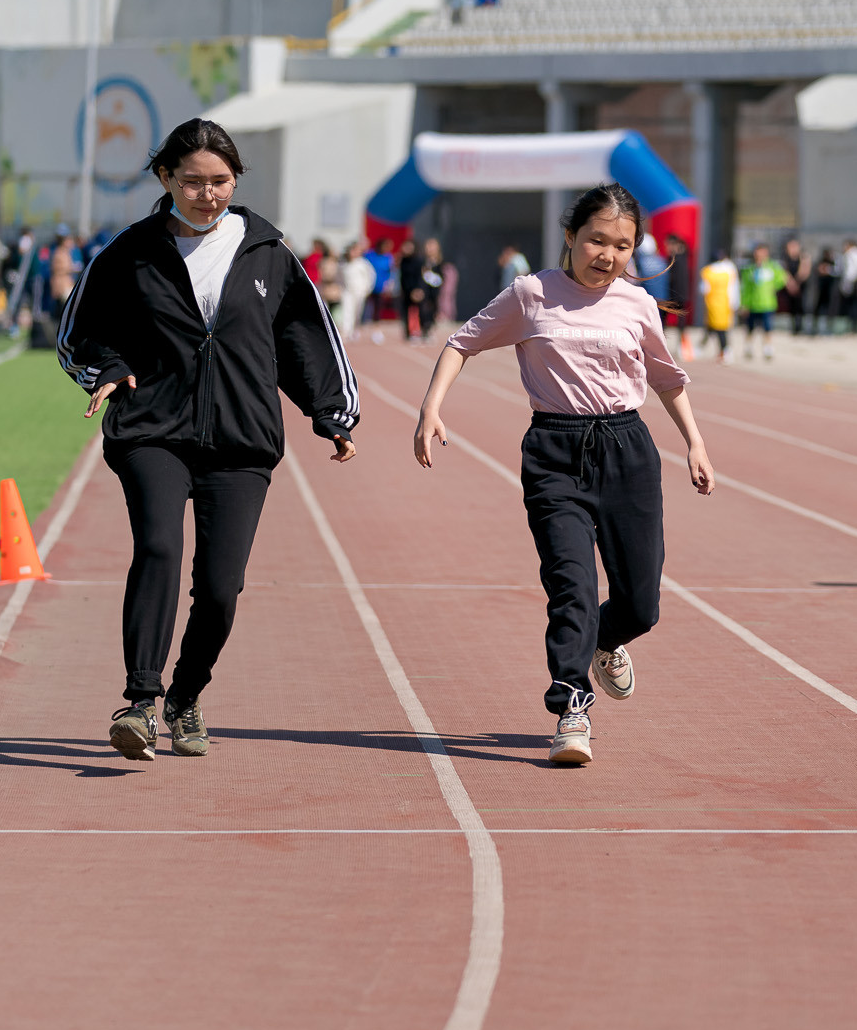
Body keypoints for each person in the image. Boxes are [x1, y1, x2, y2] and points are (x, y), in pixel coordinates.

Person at [58, 118, 357, 761]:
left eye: (220, 181)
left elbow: (305, 338)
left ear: (236, 180)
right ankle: (139, 702)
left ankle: (184, 698)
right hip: (151, 430)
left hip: (241, 440)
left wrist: (331, 411)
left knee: (220, 589)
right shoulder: (129, 252)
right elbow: (79, 331)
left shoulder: (269, 253)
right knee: (159, 548)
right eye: (192, 181)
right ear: (165, 179)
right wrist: (106, 369)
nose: (208, 193)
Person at [413, 182, 714, 766]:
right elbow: (461, 343)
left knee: (641, 605)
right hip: (555, 452)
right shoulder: (531, 295)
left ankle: (607, 639)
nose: (607, 255)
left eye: (622, 246)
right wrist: (431, 407)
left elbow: (667, 377)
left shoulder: (637, 305)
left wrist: (695, 444)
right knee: (571, 585)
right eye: (597, 240)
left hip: (628, 449)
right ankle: (571, 705)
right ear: (571, 236)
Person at [740, 241, 784, 362]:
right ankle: (748, 348)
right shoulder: (749, 269)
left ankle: (768, 349)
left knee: (767, 328)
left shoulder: (772, 267)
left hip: (767, 303)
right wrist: (744, 303)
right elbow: (745, 288)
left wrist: (773, 288)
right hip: (752, 303)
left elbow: (781, 280)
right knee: (750, 328)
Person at [697, 247, 739, 363]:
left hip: (712, 303)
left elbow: (703, 289)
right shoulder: (729, 271)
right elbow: (734, 289)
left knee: (715, 327)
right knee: (721, 328)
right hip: (725, 303)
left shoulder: (707, 271)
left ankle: (723, 351)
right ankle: (723, 351)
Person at [338, 237, 376, 333]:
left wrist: (367, 289)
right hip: (347, 291)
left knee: (357, 311)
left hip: (360, 291)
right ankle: (347, 330)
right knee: (347, 309)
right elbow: (339, 277)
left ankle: (355, 329)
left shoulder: (363, 264)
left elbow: (370, 277)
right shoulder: (343, 264)